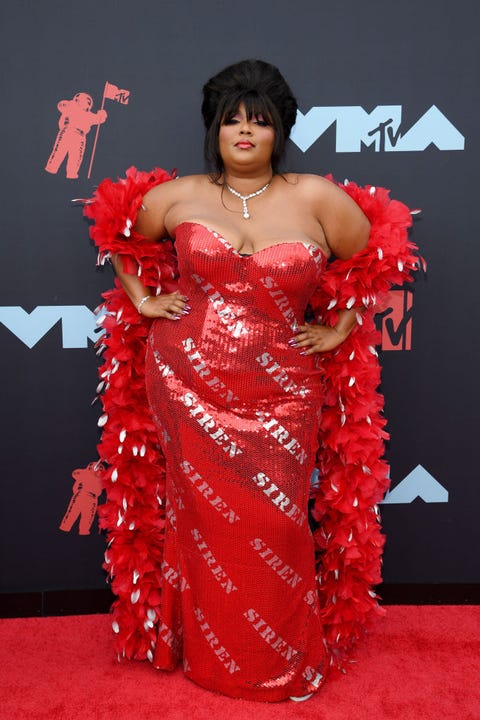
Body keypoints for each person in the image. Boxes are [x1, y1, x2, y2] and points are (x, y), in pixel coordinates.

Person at [83, 59, 419, 702]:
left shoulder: (316, 196)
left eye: (258, 122)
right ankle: (203, 656)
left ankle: (277, 661)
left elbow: (377, 252)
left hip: (283, 393)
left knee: (275, 525)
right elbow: (118, 232)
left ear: (278, 132)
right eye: (231, 120)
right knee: (200, 525)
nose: (243, 132)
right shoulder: (180, 195)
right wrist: (144, 300)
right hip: (187, 385)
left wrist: (343, 323)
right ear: (213, 129)